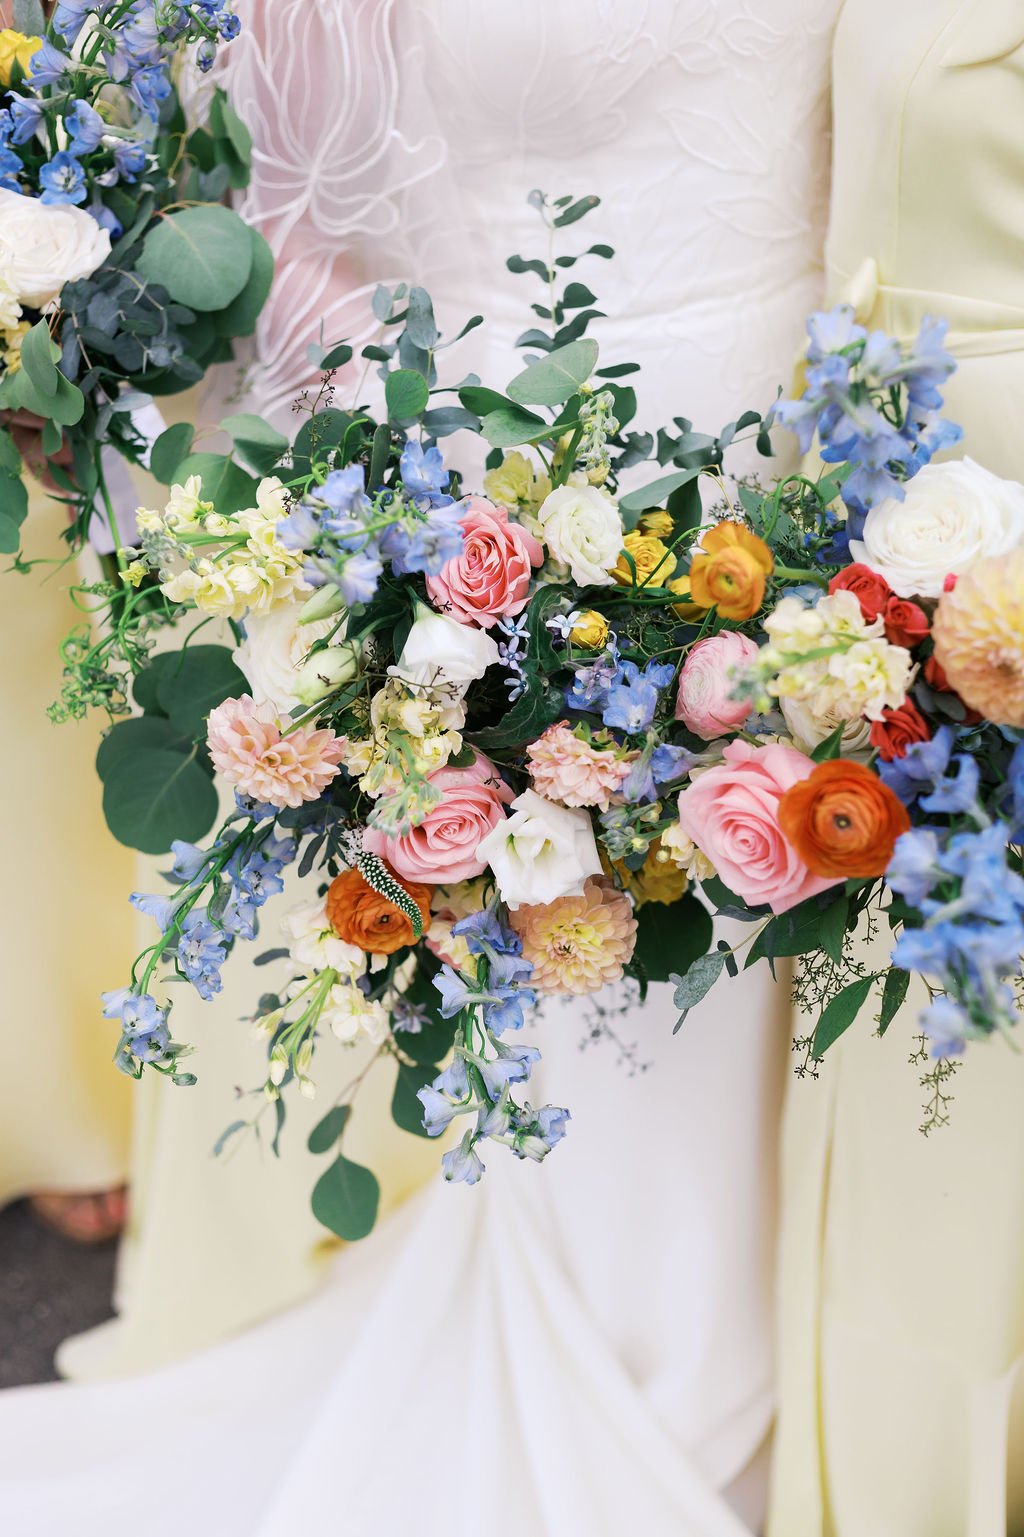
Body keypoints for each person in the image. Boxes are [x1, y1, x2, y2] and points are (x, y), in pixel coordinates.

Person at [0, 3, 840, 1532]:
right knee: (632, 960)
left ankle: (805, 1383)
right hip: (547, 475)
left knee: (814, 951)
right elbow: (292, 206)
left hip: (827, 435)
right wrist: (389, 556)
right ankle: (662, 1396)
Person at [769, 6, 1024, 1535]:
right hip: (878, 488)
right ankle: (892, 1471)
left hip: (995, 511)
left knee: (972, 1050)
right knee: (897, 1021)